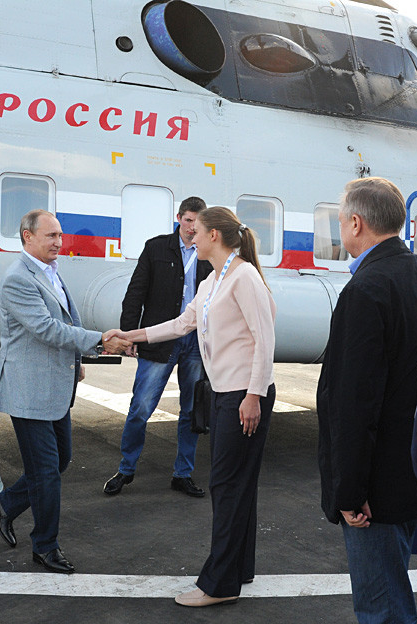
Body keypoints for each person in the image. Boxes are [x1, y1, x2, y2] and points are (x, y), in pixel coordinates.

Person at [111, 206, 276, 607]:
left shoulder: (244, 277)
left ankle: (219, 585)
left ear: (215, 235)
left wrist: (253, 395)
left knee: (225, 485)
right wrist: (130, 334)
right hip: (224, 393)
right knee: (237, 485)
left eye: (197, 231)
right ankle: (240, 568)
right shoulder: (213, 280)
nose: (191, 237)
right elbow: (181, 323)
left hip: (242, 395)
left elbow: (265, 339)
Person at [316, 178, 417, 624]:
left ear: (356, 223)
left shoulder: (365, 290)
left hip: (375, 489)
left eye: (341, 222)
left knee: (380, 606)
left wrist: (348, 490)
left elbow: (354, 403)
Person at [0, 209, 130, 574]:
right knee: (47, 472)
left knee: (60, 460)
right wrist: (100, 340)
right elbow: (47, 329)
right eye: (50, 236)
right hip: (29, 389)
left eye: (59, 235)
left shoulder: (49, 271)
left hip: (55, 384)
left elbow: (69, 320)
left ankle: (7, 503)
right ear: (27, 237)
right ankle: (45, 546)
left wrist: (80, 356)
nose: (58, 242)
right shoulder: (18, 279)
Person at [103, 196, 213, 498]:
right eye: (188, 220)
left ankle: (183, 473)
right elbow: (136, 291)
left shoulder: (208, 252)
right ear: (179, 218)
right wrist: (127, 335)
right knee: (141, 408)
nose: (192, 227)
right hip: (159, 338)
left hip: (194, 342)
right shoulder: (156, 247)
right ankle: (125, 470)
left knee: (191, 411)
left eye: (198, 222)